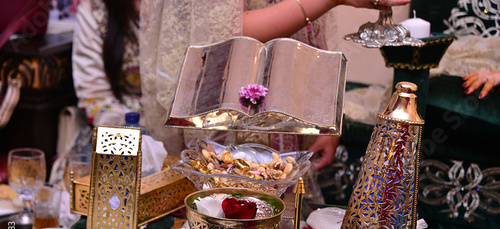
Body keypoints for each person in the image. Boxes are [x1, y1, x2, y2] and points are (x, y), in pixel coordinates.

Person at [73, 0, 411, 185]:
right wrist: (136, 142)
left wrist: (324, 117)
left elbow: (308, 33)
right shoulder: (99, 9)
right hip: (187, 131)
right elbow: (220, 34)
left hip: (281, 128)